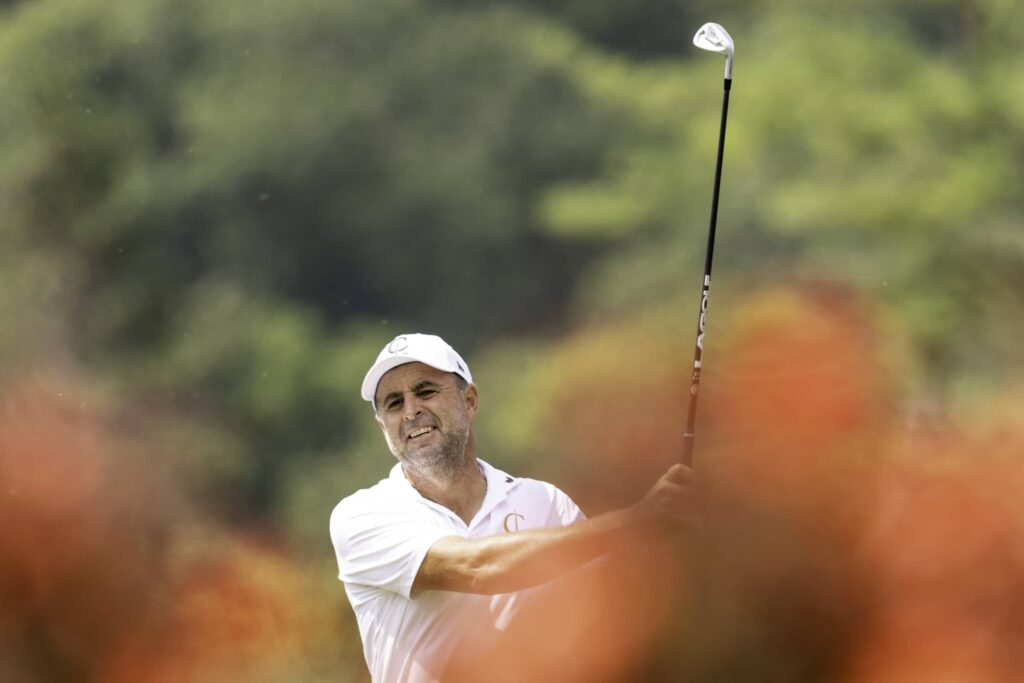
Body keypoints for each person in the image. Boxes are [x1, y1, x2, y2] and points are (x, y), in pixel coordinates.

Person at [329, 333, 694, 683]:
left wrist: (668, 546)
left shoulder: (547, 503)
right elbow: (477, 568)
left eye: (425, 391)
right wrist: (633, 523)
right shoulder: (362, 515)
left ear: (469, 401)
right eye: (394, 403)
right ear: (383, 426)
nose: (411, 411)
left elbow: (613, 610)